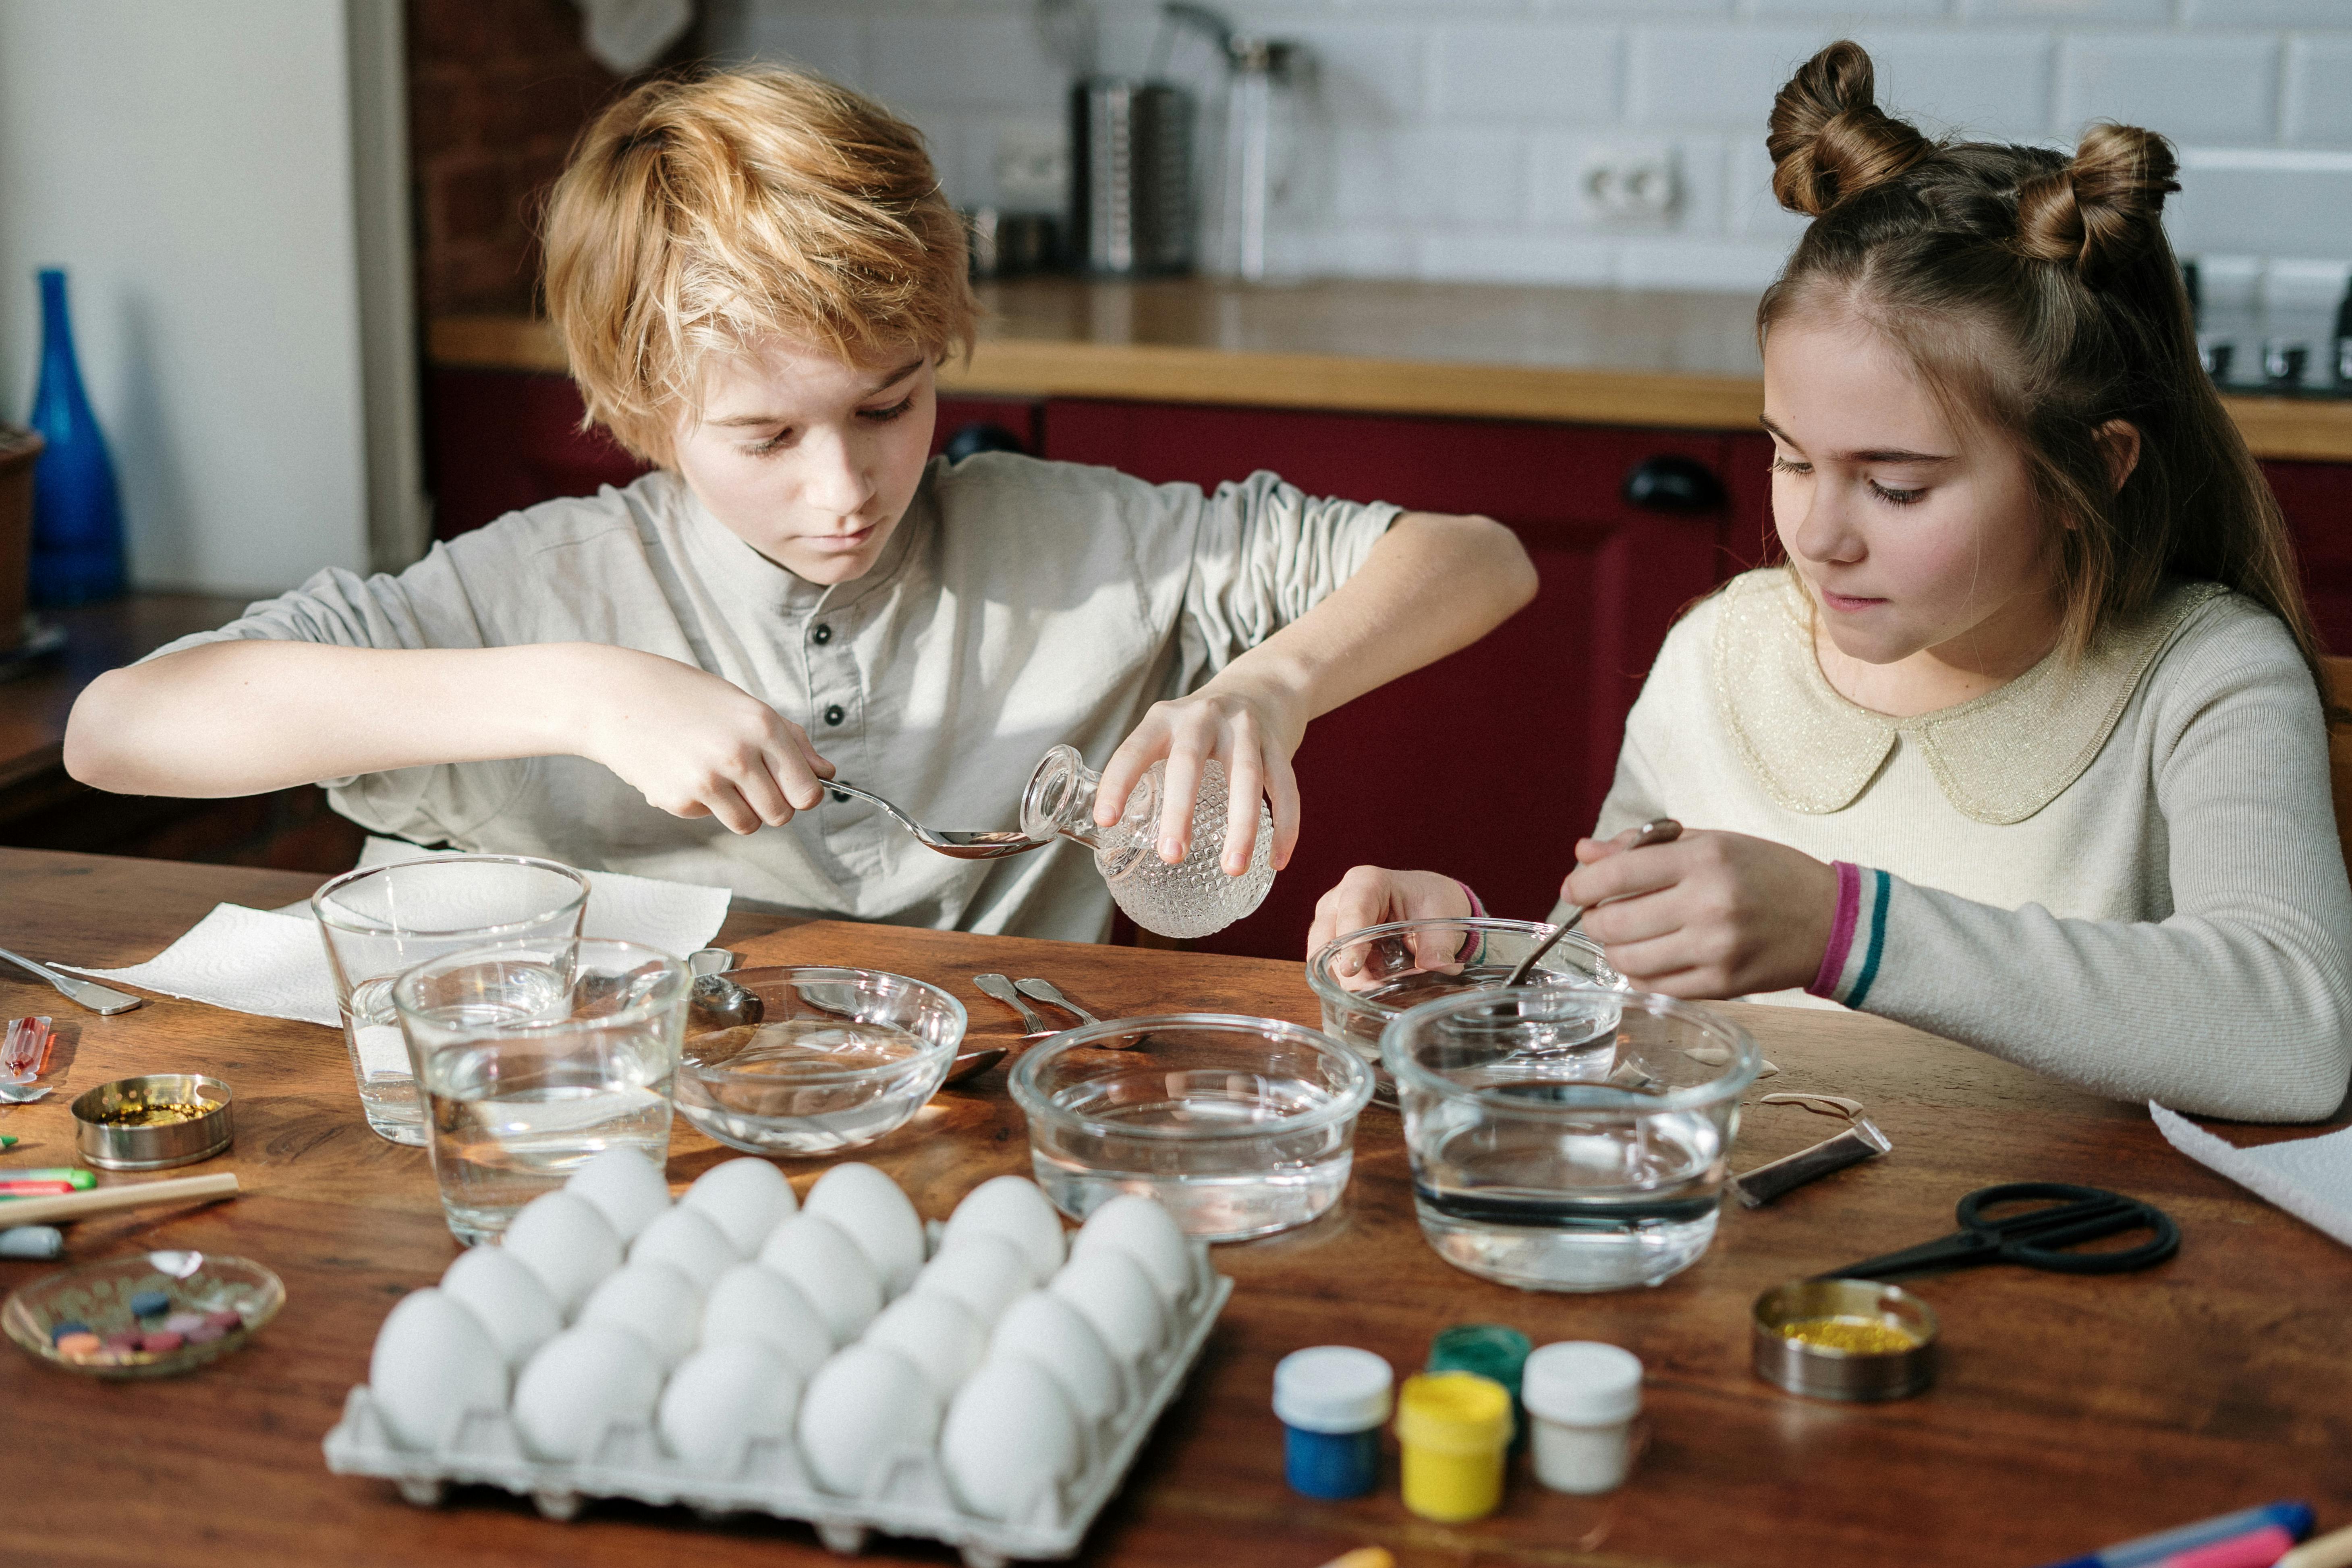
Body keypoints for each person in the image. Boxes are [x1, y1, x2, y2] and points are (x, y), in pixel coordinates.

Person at [64, 68, 1535, 943]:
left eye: (890, 407)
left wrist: (1274, 683)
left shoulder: (1083, 545)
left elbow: (1479, 557)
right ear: (642, 413)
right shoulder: (539, 591)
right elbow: (119, 729)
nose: (845, 492)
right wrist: (582, 695)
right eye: (764, 435)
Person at [1306, 41, 2352, 1122]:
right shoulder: (1721, 656)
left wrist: (1843, 929)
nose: (1815, 534)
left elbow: (2297, 1036)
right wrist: (1470, 958)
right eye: (1792, 458)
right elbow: (1625, 1005)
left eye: (1895, 486)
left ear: (2094, 465)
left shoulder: (2209, 678)